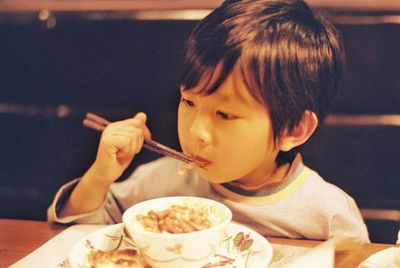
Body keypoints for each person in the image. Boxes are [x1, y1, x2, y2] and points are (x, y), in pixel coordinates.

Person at [48, 0, 370, 243]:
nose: (196, 132)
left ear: (292, 129)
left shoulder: (328, 214)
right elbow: (80, 238)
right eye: (189, 102)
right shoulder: (160, 184)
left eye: (225, 114)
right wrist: (99, 177)